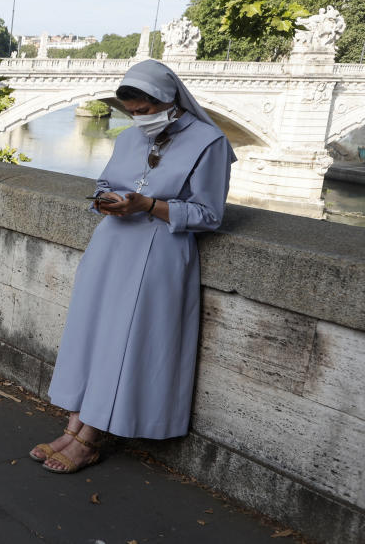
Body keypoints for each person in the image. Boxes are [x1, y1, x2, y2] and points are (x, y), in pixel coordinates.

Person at [30, 59, 235, 474]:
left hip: (158, 250)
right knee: (92, 333)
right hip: (111, 244)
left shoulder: (208, 142)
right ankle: (73, 426)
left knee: (125, 341)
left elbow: (210, 214)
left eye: (145, 110)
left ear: (169, 99)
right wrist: (106, 200)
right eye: (133, 113)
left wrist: (150, 205)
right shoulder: (128, 139)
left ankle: (89, 439)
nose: (140, 119)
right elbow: (105, 184)